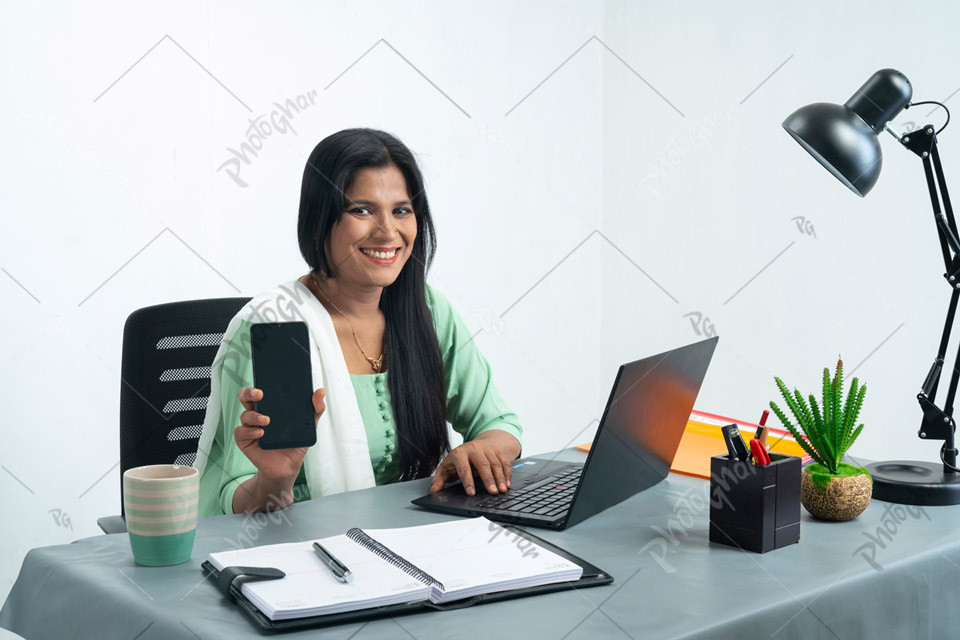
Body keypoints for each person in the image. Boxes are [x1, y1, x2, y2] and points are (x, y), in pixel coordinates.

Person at [194, 128, 523, 517]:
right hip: (304, 552)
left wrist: (483, 449)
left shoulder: (429, 310)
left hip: (420, 542)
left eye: (401, 210)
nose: (388, 231)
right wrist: (276, 481)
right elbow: (225, 502)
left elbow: (499, 423)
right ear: (320, 223)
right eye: (362, 210)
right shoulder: (276, 328)